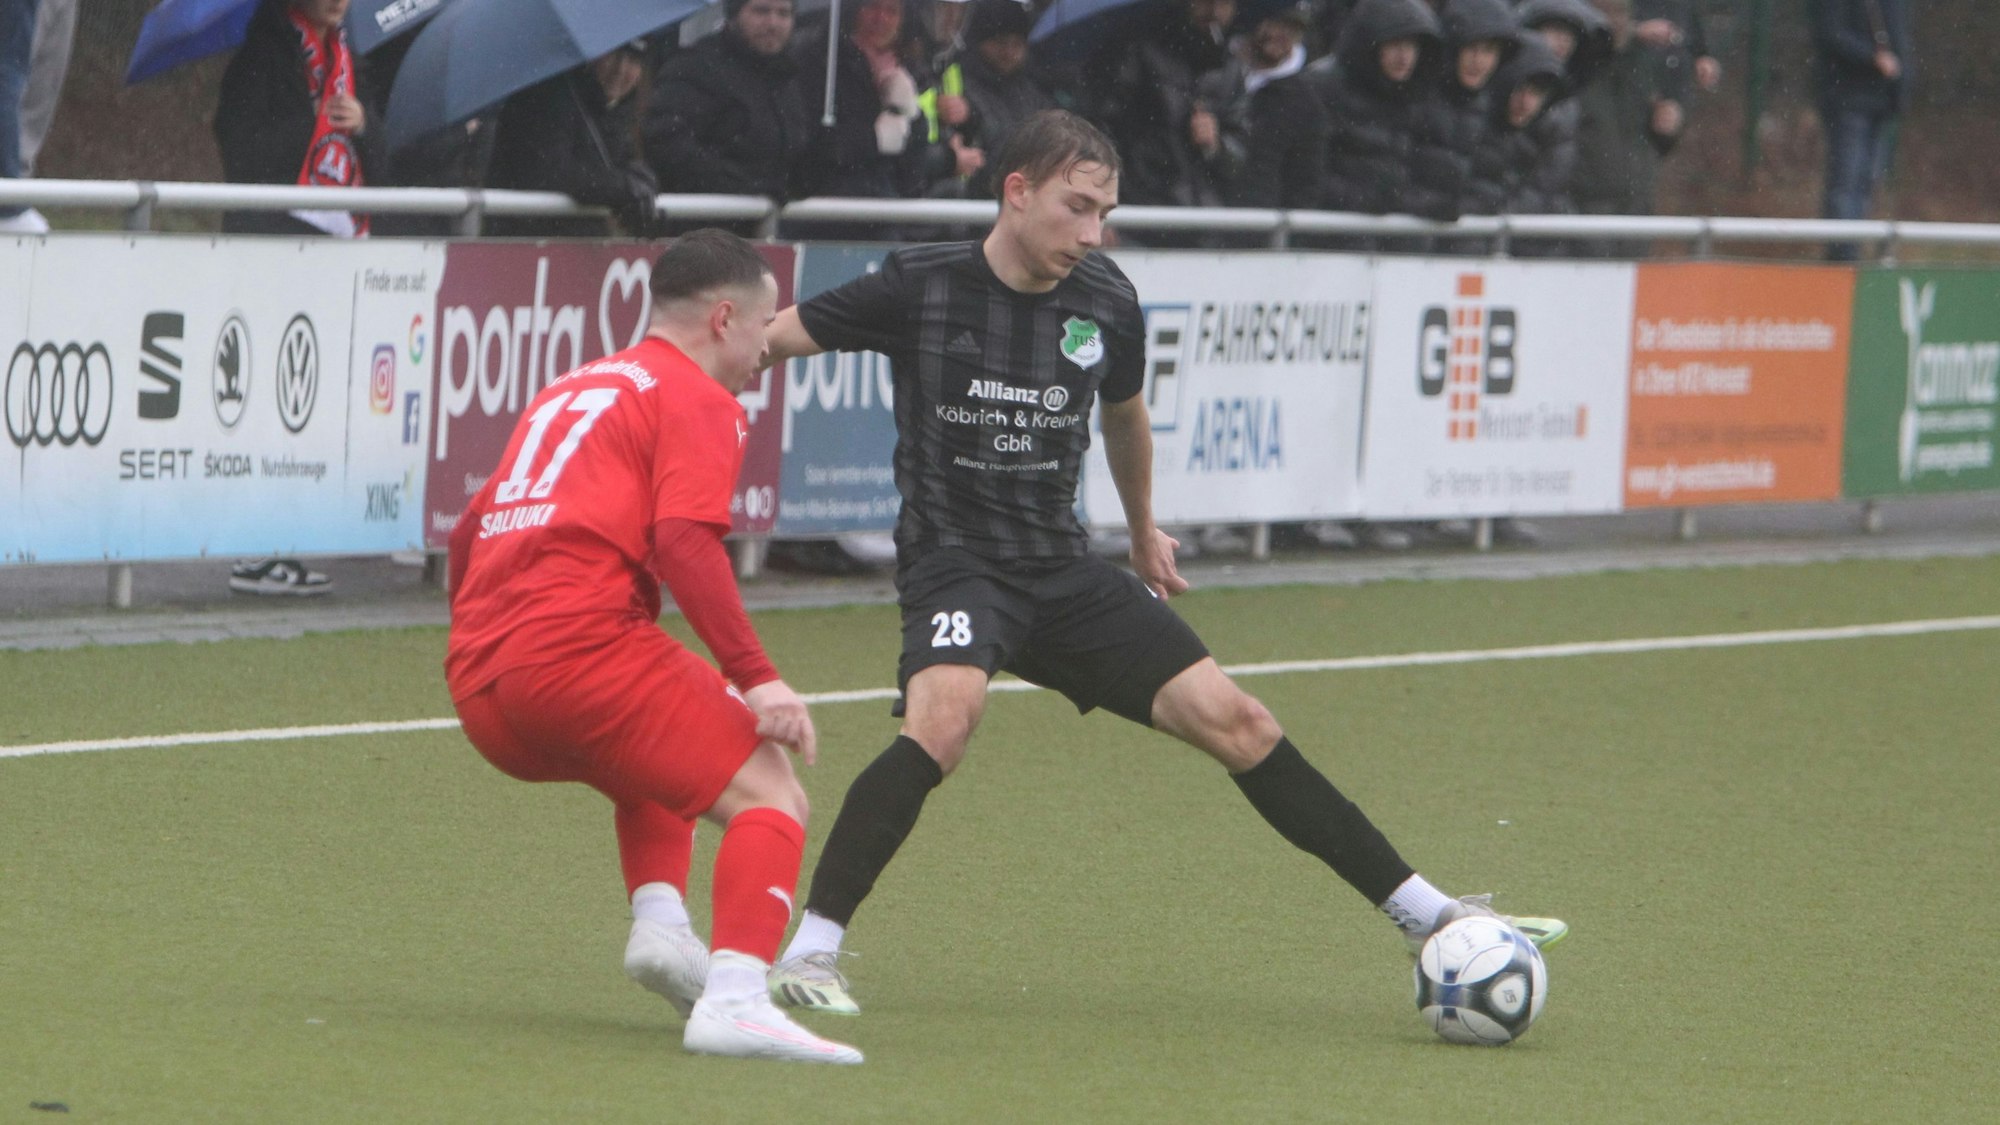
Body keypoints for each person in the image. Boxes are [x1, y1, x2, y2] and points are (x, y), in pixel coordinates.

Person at [755, 110, 1568, 1016]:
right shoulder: (921, 284)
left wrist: (1144, 532)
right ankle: (811, 951)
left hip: (1063, 570)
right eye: (1077, 207)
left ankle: (1430, 915)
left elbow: (1125, 415)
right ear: (1016, 192)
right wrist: (670, 384)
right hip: (959, 565)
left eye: (1105, 213)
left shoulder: (1106, 296)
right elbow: (767, 340)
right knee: (944, 723)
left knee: (1241, 722)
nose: (1093, 232)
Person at [445, 230, 860, 1065]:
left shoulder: (572, 386)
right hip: (576, 654)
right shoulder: (697, 396)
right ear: (723, 318)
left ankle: (664, 924)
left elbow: (469, 530)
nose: (767, 350)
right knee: (773, 796)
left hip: (482, 684)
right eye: (764, 327)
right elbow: (685, 541)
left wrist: (489, 637)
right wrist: (760, 678)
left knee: (659, 752)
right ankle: (736, 999)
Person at [213, 0, 373, 239]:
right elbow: (240, 152)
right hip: (269, 232)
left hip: (341, 237)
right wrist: (311, 124)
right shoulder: (259, 58)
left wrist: (363, 125)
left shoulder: (350, 65)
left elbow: (380, 165)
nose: (338, 1)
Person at [483, 42, 661, 239]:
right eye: (613, 55)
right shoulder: (549, 95)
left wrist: (641, 178)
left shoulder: (611, 109)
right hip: (525, 240)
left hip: (573, 243)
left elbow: (620, 162)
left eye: (633, 60)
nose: (620, 69)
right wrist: (623, 187)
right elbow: (554, 173)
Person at [645, 0, 812, 209]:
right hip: (704, 217)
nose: (773, 23)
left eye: (783, 14)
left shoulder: (788, 78)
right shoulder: (695, 67)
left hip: (769, 219)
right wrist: (744, 188)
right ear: (734, 14)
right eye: (761, 11)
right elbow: (667, 144)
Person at [1089, 0, 1239, 213]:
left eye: (1224, 3)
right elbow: (1105, 127)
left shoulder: (1232, 70)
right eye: (1205, 1)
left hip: (1207, 214)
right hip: (1143, 206)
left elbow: (1244, 154)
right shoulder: (1142, 52)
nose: (1214, 11)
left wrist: (1217, 146)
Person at [1571, 0, 1681, 258]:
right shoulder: (1575, 68)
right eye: (1605, 13)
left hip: (1637, 207)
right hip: (1586, 207)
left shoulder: (1644, 64)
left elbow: (1655, 138)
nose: (1616, 22)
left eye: (1621, 12)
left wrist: (1668, 127)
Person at [1195, 1, 1326, 210]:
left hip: (1258, 219)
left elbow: (1305, 181)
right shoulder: (1210, 62)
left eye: (1294, 29)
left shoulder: (1307, 98)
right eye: (1277, 23)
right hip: (1195, 206)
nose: (1283, 35)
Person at [1810, 0, 1909, 261]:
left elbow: (1899, 42)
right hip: (1847, 99)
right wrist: (1871, 58)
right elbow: (1831, 34)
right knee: (1846, 180)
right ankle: (1842, 255)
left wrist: (1900, 90)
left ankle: (1852, 248)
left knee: (1867, 180)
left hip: (1880, 101)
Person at [956, 0, 1055, 199]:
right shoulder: (960, 87)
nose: (1009, 52)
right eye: (1000, 42)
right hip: (976, 202)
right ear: (979, 41)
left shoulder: (1033, 94)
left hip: (1024, 199)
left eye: (1017, 44)